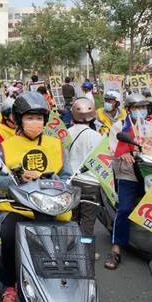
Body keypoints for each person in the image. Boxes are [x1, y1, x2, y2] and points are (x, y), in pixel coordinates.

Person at [0, 92, 72, 302]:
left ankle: (66, 286)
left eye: (38, 118)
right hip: (18, 207)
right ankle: (9, 289)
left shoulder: (56, 145)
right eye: (29, 118)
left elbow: (68, 177)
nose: (35, 122)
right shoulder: (6, 147)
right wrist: (17, 180)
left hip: (52, 207)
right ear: (18, 119)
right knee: (8, 236)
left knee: (70, 239)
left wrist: (53, 180)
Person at [105, 93, 152, 270]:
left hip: (150, 171)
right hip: (127, 173)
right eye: (136, 108)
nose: (140, 111)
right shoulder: (118, 127)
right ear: (128, 110)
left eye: (143, 107)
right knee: (125, 207)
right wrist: (123, 153)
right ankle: (116, 248)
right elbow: (113, 147)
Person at [68, 98, 103, 236]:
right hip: (91, 184)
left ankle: (71, 252)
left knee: (72, 220)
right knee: (88, 223)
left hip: (70, 182)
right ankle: (87, 253)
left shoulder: (66, 134)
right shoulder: (97, 136)